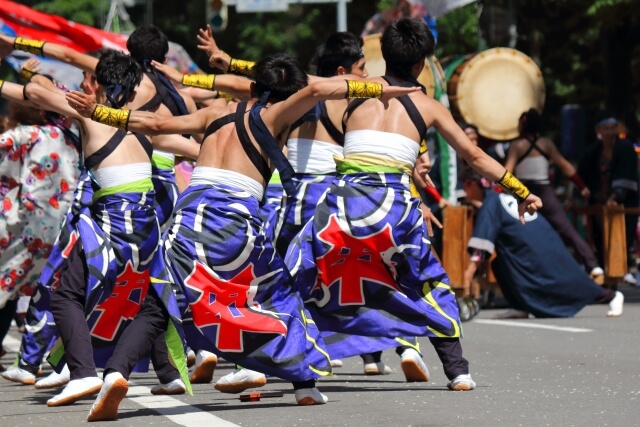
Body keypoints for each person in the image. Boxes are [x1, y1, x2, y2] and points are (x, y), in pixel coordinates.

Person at [67, 53, 418, 420]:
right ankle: (304, 386)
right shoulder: (273, 115)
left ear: (253, 86)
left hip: (189, 216)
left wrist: (100, 113)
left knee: (160, 302)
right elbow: (318, 87)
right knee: (278, 295)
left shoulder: (214, 113)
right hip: (234, 218)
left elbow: (154, 124)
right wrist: (378, 87)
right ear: (286, 96)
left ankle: (117, 375)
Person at [284, 17, 542, 393]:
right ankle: (458, 372)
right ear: (422, 62)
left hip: (342, 209)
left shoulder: (356, 90)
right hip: (395, 212)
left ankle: (303, 382)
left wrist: (225, 69)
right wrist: (521, 191)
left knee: (299, 277)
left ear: (382, 56)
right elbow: (473, 155)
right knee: (427, 283)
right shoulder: (429, 105)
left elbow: (310, 85)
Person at [460, 166, 624, 318]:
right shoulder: (499, 198)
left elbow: (482, 244)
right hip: (537, 241)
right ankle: (519, 306)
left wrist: (468, 273)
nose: (465, 192)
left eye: (465, 187)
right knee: (500, 264)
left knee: (565, 279)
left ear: (471, 184)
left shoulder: (491, 203)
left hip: (532, 248)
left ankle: (611, 296)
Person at [0, 97, 81, 368]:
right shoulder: (71, 137)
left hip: (20, 222)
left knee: (6, 284)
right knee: (23, 288)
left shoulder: (24, 134)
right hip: (56, 227)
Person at [505, 108, 604, 283]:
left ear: (523, 124)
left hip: (523, 193)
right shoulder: (547, 143)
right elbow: (565, 166)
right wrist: (582, 186)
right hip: (545, 192)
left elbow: (507, 172)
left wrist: (496, 192)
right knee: (566, 229)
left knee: (519, 232)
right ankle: (593, 265)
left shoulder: (517, 145)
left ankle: (524, 274)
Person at [577, 111, 639, 285]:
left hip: (624, 201)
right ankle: (604, 271)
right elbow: (583, 176)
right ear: (599, 131)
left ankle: (623, 269)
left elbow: (626, 174)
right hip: (598, 201)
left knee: (624, 235)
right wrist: (583, 191)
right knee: (599, 237)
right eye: (606, 129)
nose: (610, 132)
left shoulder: (625, 147)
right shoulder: (592, 152)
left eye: (613, 128)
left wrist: (616, 196)